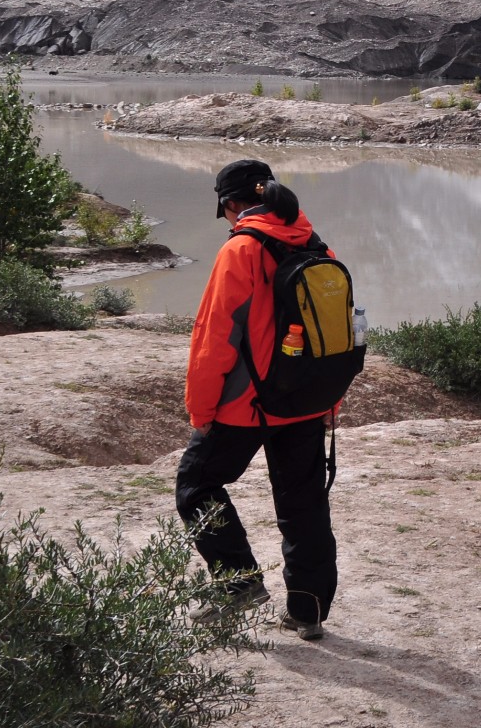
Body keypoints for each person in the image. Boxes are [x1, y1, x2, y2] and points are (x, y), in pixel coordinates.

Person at [176, 158, 339, 640]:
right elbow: (336, 335)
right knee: (303, 504)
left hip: (246, 406)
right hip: (306, 400)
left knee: (196, 485)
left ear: (231, 205)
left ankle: (239, 584)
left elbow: (214, 338)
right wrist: (329, 400)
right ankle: (308, 613)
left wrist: (201, 412)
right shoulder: (316, 244)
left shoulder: (242, 249)